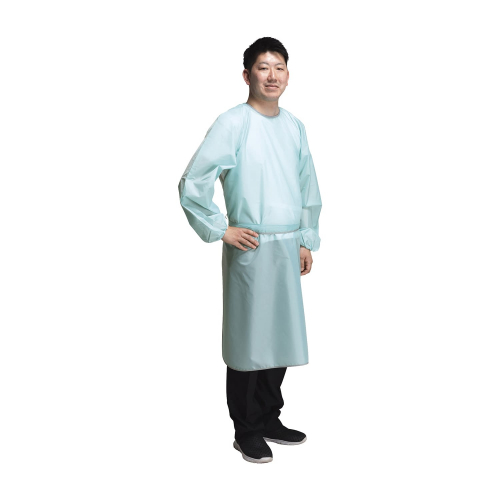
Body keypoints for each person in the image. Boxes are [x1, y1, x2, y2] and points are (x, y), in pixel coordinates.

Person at [178, 37, 322, 464]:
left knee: (280, 336)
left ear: (288, 75)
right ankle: (245, 429)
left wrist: (305, 237)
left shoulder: (294, 126)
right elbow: (193, 181)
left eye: (279, 67)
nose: (272, 75)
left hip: (286, 243)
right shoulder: (233, 123)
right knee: (248, 341)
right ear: (247, 75)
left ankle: (269, 417)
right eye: (263, 67)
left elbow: (307, 186)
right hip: (252, 244)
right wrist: (220, 228)